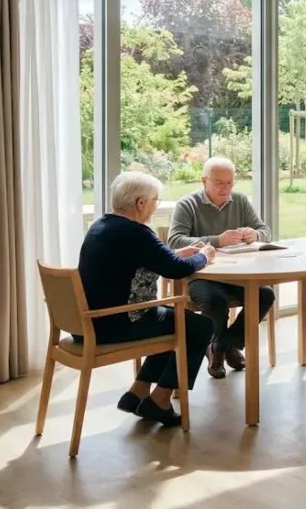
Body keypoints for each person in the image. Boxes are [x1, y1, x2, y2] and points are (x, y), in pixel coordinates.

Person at [77, 171, 216, 426]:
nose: (156, 205)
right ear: (141, 204)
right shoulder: (137, 232)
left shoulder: (102, 226)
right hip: (114, 325)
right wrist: (205, 255)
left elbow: (148, 259)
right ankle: (160, 401)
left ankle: (137, 393)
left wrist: (174, 253)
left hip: (88, 324)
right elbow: (177, 270)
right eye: (155, 200)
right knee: (199, 326)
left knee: (170, 320)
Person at [167, 157, 275, 380]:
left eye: (230, 183)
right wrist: (217, 241)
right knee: (217, 302)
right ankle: (223, 350)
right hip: (200, 275)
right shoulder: (187, 204)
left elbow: (265, 231)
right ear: (204, 181)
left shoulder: (240, 201)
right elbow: (174, 241)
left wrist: (255, 234)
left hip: (236, 274)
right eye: (219, 183)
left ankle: (221, 345)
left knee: (265, 294)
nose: (226, 189)